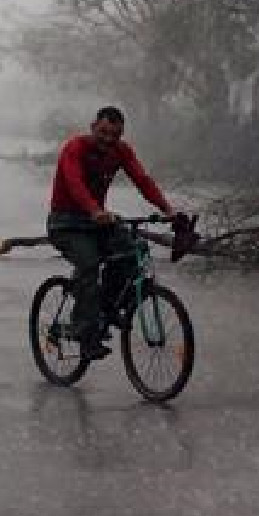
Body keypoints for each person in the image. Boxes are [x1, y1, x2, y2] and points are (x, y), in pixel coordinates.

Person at [47, 106, 174, 359]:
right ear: (93, 127)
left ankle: (107, 307)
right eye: (103, 132)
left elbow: (142, 180)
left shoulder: (121, 151)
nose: (108, 139)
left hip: (98, 220)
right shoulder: (75, 148)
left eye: (114, 135)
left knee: (132, 251)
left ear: (121, 135)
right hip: (65, 223)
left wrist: (167, 208)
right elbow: (74, 184)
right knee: (89, 263)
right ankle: (84, 330)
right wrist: (94, 210)